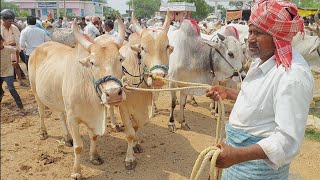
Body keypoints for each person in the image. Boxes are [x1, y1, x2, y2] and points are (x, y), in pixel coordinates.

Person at [206, 0, 314, 179]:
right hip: (234, 162)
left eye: (259, 33)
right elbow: (263, 102)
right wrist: (231, 94)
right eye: (250, 31)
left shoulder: (292, 76)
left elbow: (287, 142)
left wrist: (237, 155)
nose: (251, 39)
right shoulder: (261, 59)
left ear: (277, 37)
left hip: (258, 172)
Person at [0, 9, 28, 87]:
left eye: (12, 21)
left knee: (16, 65)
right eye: (9, 21)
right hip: (4, 49)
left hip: (14, 48)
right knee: (6, 66)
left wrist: (17, 45)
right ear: (3, 21)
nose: (11, 23)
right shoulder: (0, 29)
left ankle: (20, 81)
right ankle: (8, 83)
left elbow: (18, 38)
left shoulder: (14, 28)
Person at [0, 34, 25, 114]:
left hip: (8, 73)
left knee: (11, 89)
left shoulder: (8, 49)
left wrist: (17, 62)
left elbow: (17, 51)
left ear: (2, 41)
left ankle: (21, 108)